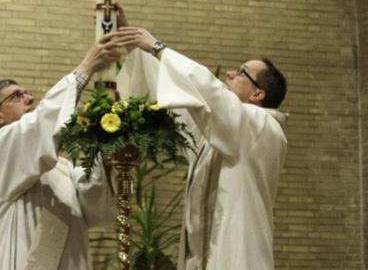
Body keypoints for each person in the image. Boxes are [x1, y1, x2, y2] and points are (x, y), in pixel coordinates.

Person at [113, 23, 289, 270]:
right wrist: (131, 39)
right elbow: (183, 105)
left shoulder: (261, 127)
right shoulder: (221, 134)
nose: (228, 73)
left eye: (241, 72)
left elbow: (211, 92)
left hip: (237, 257)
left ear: (258, 94)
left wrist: (158, 48)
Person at [0, 33, 127, 270]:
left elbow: (94, 208)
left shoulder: (62, 167)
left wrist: (103, 138)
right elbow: (42, 121)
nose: (30, 98)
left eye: (27, 93)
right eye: (17, 95)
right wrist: (85, 68)